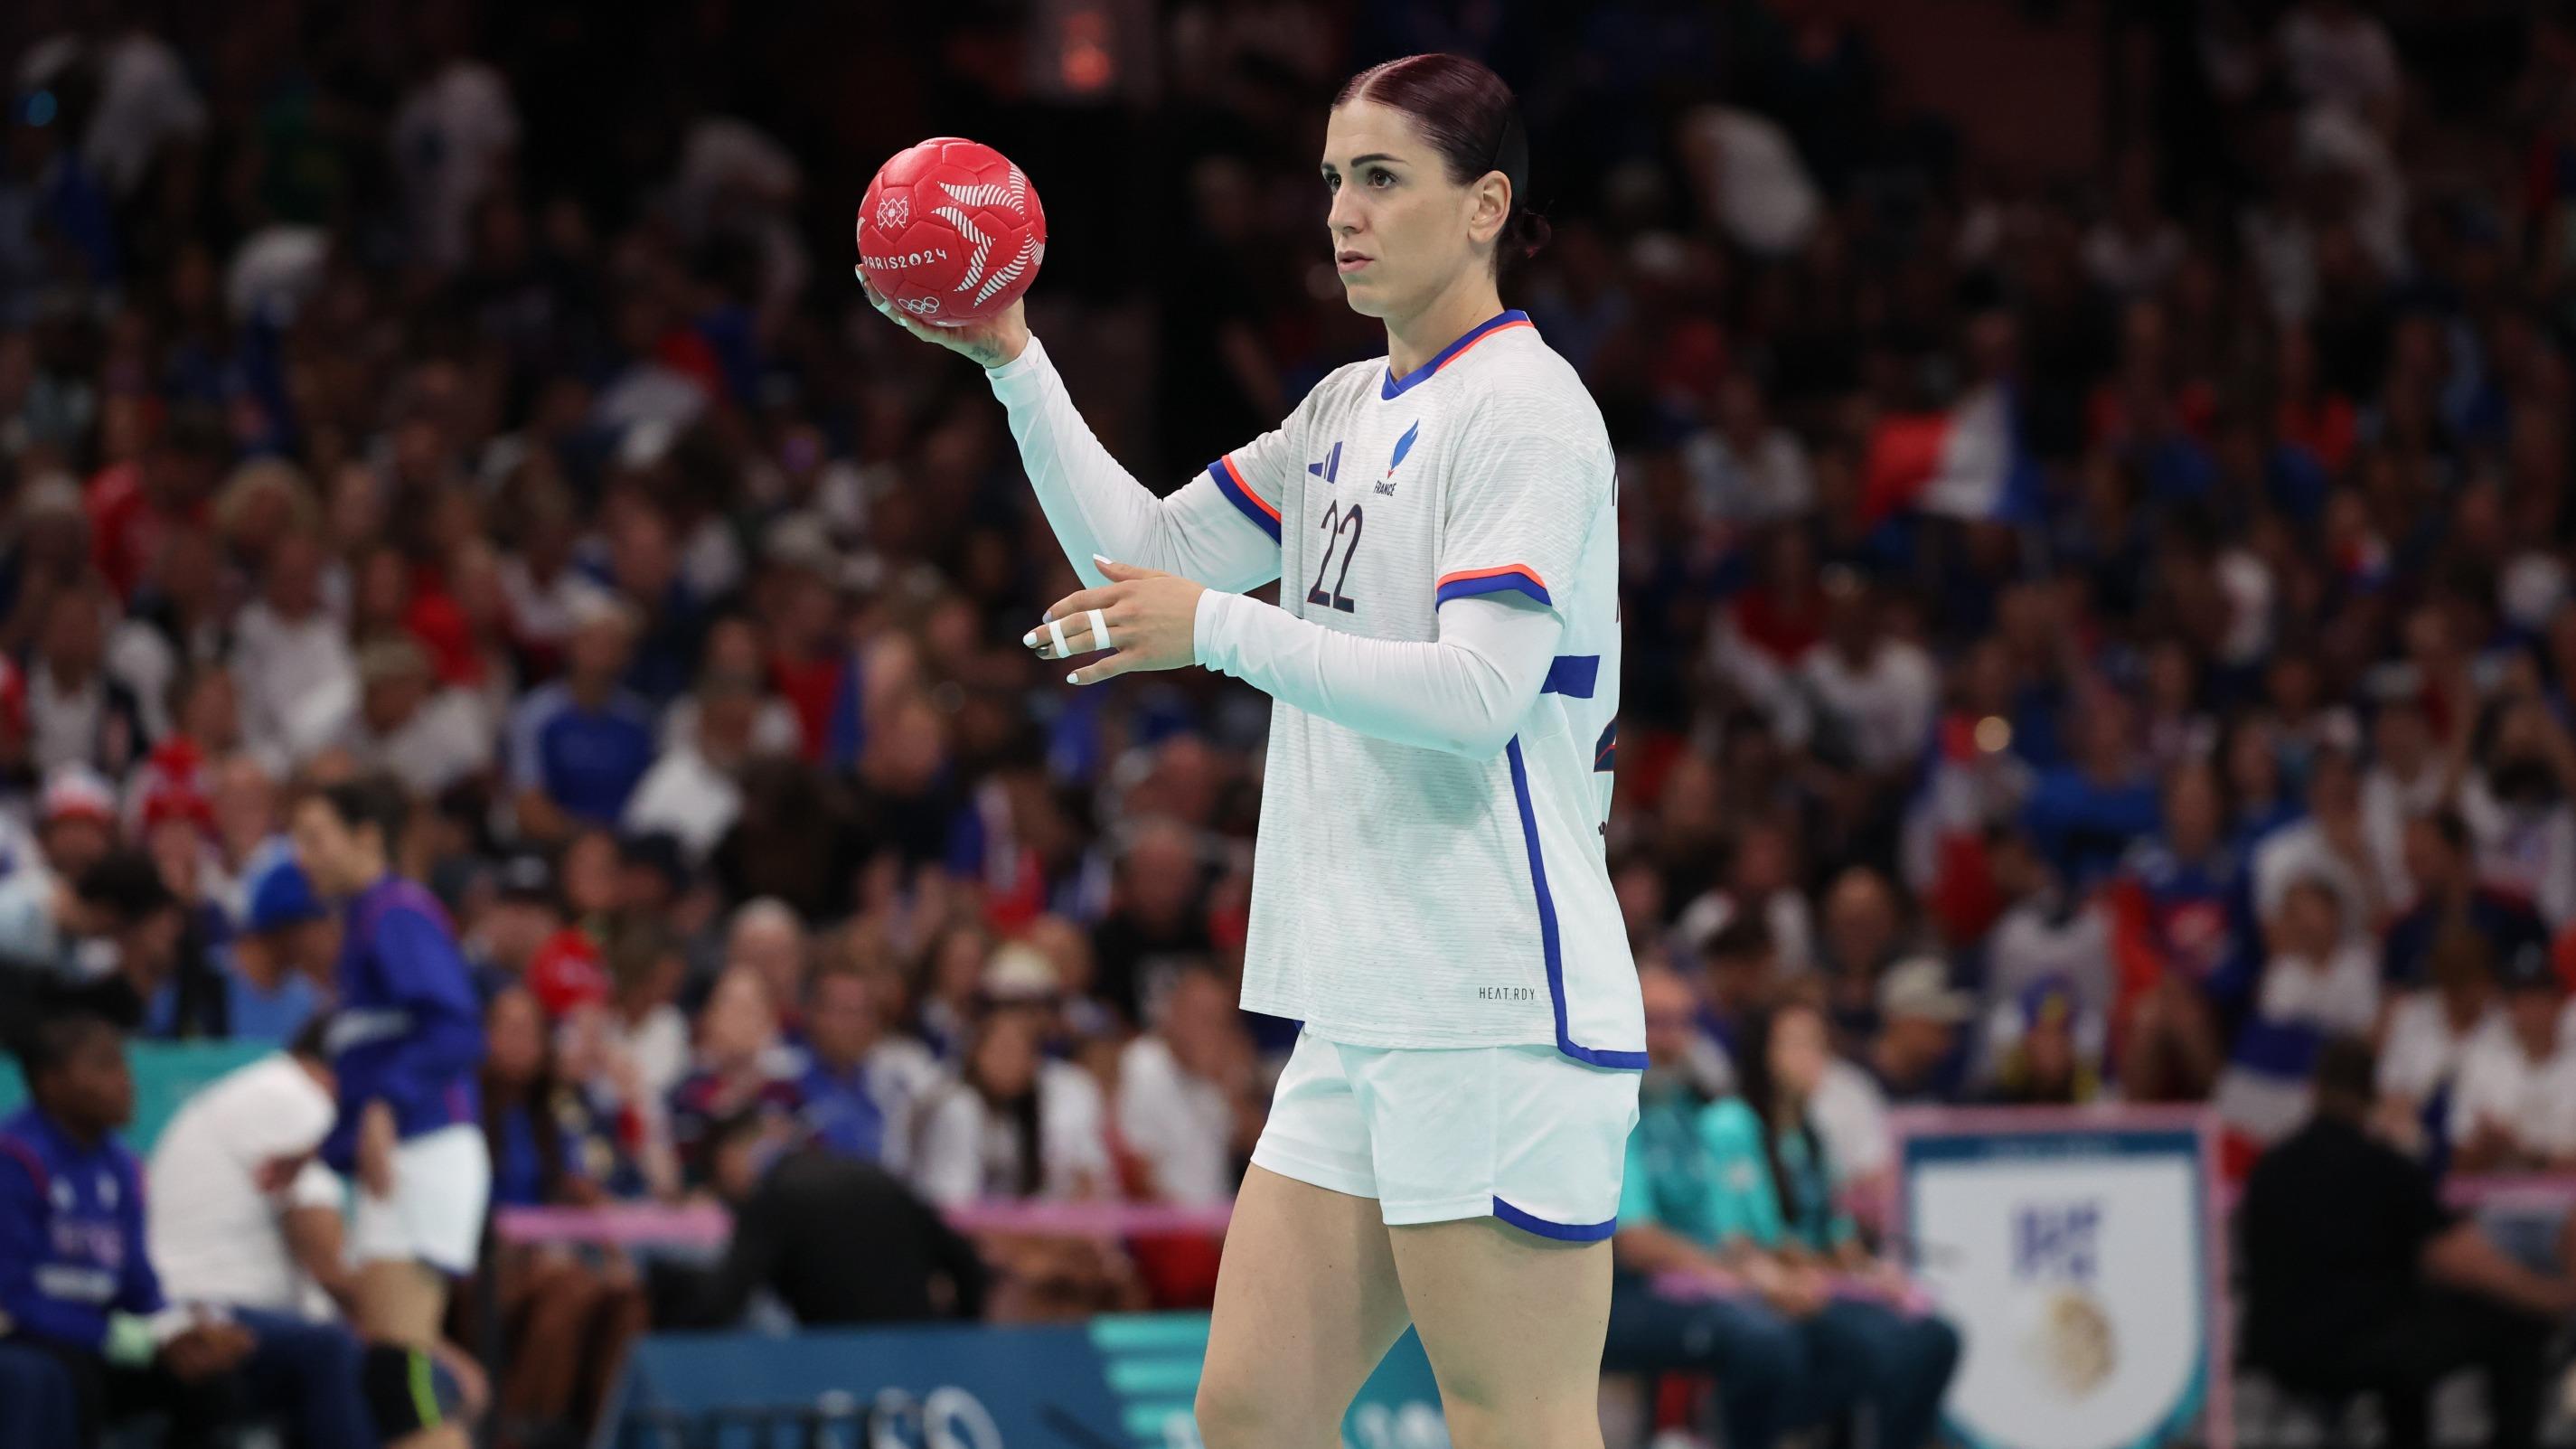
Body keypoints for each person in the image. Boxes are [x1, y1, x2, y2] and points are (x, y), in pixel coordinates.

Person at [865, 51, 1642, 1447]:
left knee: (1513, 1424)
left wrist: (1215, 629)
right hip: (1361, 1002)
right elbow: (1147, 555)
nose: (1343, 211)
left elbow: (1478, 694)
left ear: (1485, 207)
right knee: (1249, 1415)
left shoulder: (1525, 410)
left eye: (1384, 179)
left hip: (1495, 996)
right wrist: (1014, 360)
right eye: (1334, 179)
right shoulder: (1342, 409)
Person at [0, 1012, 378, 1449]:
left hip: (106, 1339)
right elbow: (19, 1301)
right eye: (103, 1067)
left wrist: (181, 1331)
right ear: (52, 1082)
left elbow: (140, 1289)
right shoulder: (17, 1159)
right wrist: (141, 1342)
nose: (125, 1081)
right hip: (37, 1338)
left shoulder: (120, 1166)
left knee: (208, 1378)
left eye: (123, 1064)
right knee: (61, 1379)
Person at [2242, 1037, 2573, 1449]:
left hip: (2275, 1349)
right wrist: (2551, 1297)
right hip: (2358, 1349)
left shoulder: (2269, 1170)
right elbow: (2460, 1260)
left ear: (2315, 1090)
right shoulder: (2384, 1167)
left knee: (2407, 1337)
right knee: (2512, 1322)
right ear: (2372, 1097)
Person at [293, 776, 487, 1449]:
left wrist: (383, 1107)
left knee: (397, 1371)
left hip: (423, 1149)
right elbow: (378, 1058)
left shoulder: (395, 910)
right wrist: (320, 1149)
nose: (302, 854)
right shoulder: (364, 925)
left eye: (315, 837)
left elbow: (458, 1027)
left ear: (366, 838)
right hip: (403, 1150)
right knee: (393, 1372)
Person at [1710, 1000, 1961, 1447]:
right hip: (1773, 1287)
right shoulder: (1731, 1123)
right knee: (1888, 1350)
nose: (1811, 1057)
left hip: (1824, 1282)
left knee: (1939, 1338)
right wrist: (1819, 1270)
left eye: (1818, 1044)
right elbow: (1744, 1238)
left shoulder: (1813, 1131)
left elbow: (1839, 1234)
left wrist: (1874, 1275)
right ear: (1759, 1052)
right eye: (1795, 1043)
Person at [1603, 966, 1812, 1449]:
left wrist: (1765, 1272)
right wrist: (1739, 1277)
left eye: (1681, 1022)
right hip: (1620, 1293)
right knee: (1763, 1340)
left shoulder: (1690, 1109)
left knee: (1815, 1327)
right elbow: (1637, 1242)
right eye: (1654, 1022)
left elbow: (1729, 1230)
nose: (1669, 1039)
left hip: (1696, 1281)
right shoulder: (1611, 1107)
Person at [651, 1107, 989, 1330]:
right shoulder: (876, 1177)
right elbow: (967, 1264)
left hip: (839, 1375)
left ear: (734, 1157)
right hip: (916, 1362)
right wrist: (957, 1339)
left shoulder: (775, 1196)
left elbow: (722, 1302)